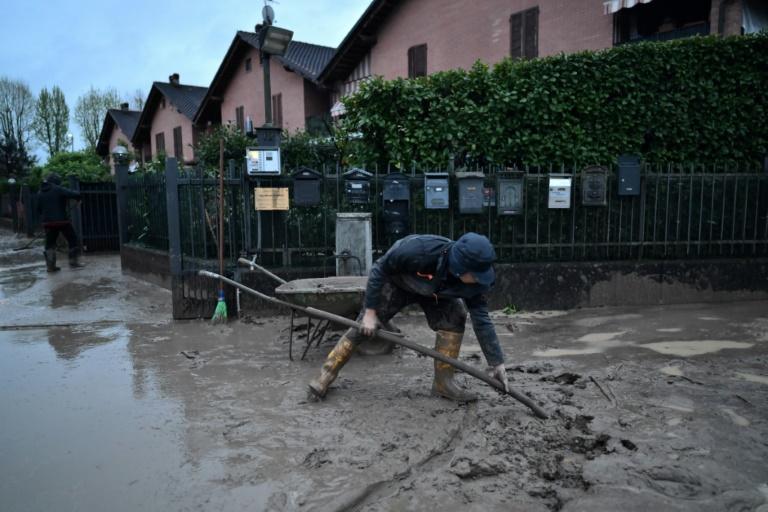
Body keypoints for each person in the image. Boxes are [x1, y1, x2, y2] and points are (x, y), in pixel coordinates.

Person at [308, 232, 509, 402]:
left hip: (436, 293)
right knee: (365, 324)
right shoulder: (419, 250)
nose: (479, 280)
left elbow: (481, 318)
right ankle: (327, 372)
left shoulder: (473, 282)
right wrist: (370, 314)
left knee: (455, 318)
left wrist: (496, 362)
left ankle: (443, 384)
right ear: (459, 267)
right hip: (399, 282)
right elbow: (380, 268)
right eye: (476, 275)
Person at [36, 173, 83, 272]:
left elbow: (38, 209)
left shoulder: (40, 192)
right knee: (72, 239)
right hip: (62, 221)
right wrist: (78, 199)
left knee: (49, 244)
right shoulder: (58, 189)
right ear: (56, 181)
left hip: (48, 223)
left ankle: (51, 267)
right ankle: (73, 262)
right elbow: (75, 194)